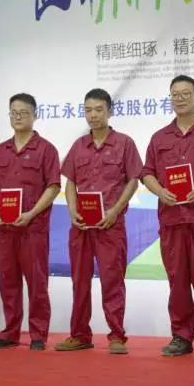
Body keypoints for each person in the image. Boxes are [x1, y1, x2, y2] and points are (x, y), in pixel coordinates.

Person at [140, 75, 194, 359]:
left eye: (186, 93)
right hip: (171, 219)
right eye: (175, 94)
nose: (180, 98)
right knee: (177, 281)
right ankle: (181, 336)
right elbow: (146, 173)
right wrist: (160, 191)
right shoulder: (159, 137)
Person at [55, 88, 142, 355]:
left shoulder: (124, 143)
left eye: (99, 110)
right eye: (88, 110)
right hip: (81, 226)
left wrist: (115, 210)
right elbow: (70, 182)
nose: (93, 115)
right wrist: (72, 209)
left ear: (109, 111)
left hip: (110, 225)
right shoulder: (79, 146)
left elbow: (133, 180)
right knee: (79, 281)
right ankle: (79, 334)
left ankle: (116, 336)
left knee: (112, 281)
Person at [0, 93, 60, 350]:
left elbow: (53, 187)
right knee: (8, 281)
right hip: (5, 229)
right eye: (13, 113)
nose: (18, 117)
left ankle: (38, 335)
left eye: (23, 113)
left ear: (35, 115)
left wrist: (31, 213)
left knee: (37, 282)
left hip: (33, 229)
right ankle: (10, 332)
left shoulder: (46, 150)